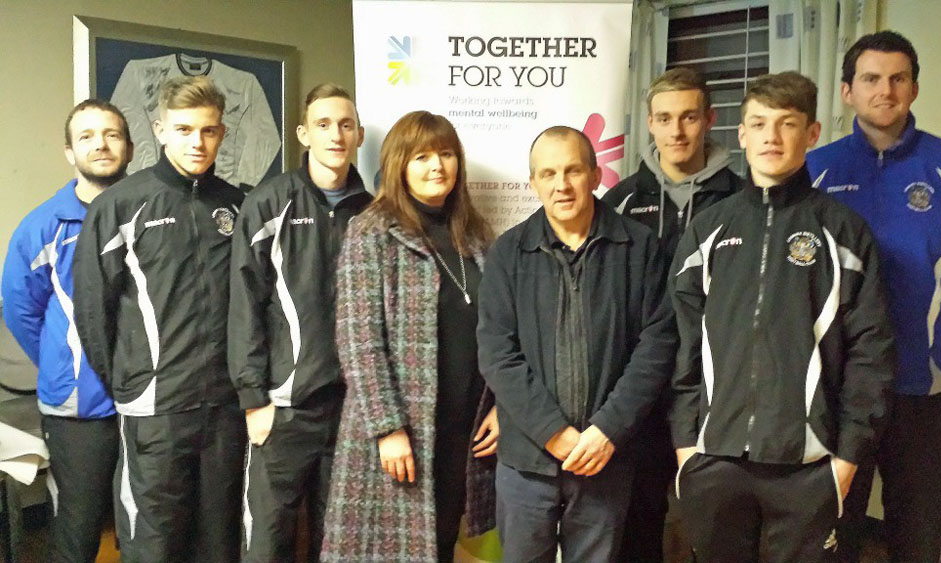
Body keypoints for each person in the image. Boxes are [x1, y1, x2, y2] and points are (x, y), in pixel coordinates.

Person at [669, 72, 895, 563]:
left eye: (787, 123)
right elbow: (681, 342)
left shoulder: (845, 234)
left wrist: (847, 458)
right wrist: (688, 446)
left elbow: (870, 353)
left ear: (811, 134)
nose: (771, 136)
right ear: (741, 134)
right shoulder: (708, 230)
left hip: (809, 466)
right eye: (759, 123)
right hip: (714, 459)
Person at [807, 31, 941, 563]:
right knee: (832, 538)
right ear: (847, 91)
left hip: (923, 390)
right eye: (870, 79)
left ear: (913, 87)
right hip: (838, 390)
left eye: (897, 78)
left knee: (917, 537)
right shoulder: (816, 169)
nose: (884, 91)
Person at [478, 126, 675, 562]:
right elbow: (497, 352)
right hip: (527, 462)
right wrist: (552, 432)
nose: (561, 185)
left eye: (572, 171)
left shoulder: (640, 247)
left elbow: (656, 346)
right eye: (548, 174)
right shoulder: (507, 254)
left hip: (605, 458)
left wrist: (608, 429)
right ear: (533, 182)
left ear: (595, 173)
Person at [72, 76, 245, 563]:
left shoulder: (236, 205)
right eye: (185, 129)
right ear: (160, 130)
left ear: (222, 134)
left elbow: (255, 305)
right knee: (154, 541)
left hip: (226, 407)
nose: (197, 142)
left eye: (208, 131)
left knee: (219, 540)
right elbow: (93, 310)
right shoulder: (118, 206)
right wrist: (130, 382)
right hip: (155, 408)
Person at [321, 111, 498, 563]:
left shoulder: (476, 236)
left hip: (463, 426)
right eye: (421, 156)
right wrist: (387, 428)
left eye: (445, 154)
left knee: (439, 542)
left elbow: (503, 332)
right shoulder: (373, 231)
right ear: (399, 164)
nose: (436, 166)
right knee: (389, 551)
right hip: (403, 430)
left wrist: (501, 404)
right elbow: (359, 339)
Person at [602, 66, 741, 562]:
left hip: (712, 388)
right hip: (638, 387)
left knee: (714, 518)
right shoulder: (619, 203)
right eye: (665, 118)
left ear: (709, 120)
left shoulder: (741, 200)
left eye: (688, 117)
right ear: (650, 124)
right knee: (638, 518)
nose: (676, 130)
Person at [229, 83, 371, 563]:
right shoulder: (270, 203)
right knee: (268, 544)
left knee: (337, 543)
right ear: (303, 133)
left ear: (360, 135)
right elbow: (245, 304)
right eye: (324, 125)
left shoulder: (373, 214)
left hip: (351, 411)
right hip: (282, 408)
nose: (336, 135)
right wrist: (253, 400)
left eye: (346, 125)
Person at [2, 99, 131, 562]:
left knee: (145, 521)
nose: (100, 144)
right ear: (69, 152)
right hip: (79, 405)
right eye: (87, 136)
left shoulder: (151, 215)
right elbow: (21, 310)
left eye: (112, 134)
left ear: (131, 147)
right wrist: (63, 360)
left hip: (152, 401)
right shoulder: (43, 226)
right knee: (78, 525)